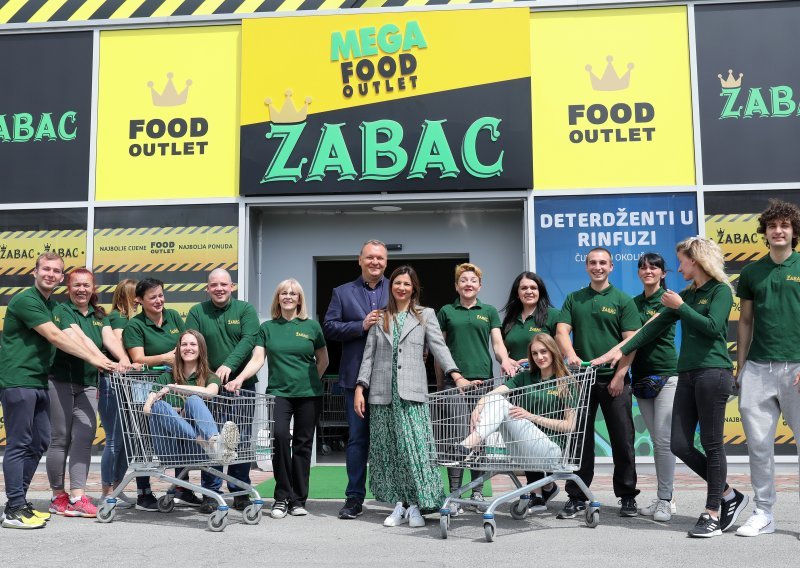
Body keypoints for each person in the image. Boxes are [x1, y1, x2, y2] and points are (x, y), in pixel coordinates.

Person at [594, 237, 749, 538]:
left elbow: (714, 328)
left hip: (713, 372)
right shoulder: (687, 295)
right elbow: (649, 329)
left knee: (713, 444)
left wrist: (681, 307)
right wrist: (612, 354)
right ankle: (730, 494)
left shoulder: (719, 291)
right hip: (688, 374)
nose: (678, 267)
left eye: (682, 261)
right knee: (678, 443)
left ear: (698, 260)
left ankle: (713, 512)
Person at [0, 253, 115, 529]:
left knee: (39, 441)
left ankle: (20, 503)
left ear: (60, 277)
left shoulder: (47, 304)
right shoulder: (27, 300)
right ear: (35, 272)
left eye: (55, 271)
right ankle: (13, 508)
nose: (50, 274)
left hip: (38, 381)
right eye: (46, 269)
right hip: (19, 380)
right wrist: (95, 359)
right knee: (19, 443)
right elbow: (56, 337)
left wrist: (104, 357)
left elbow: (75, 333)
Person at [354, 265, 465, 528]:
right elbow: (368, 356)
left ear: (414, 288)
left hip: (412, 394)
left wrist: (456, 374)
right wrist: (360, 387)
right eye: (397, 283)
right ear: (390, 286)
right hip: (382, 395)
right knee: (389, 452)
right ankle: (399, 504)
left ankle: (418, 505)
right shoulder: (380, 317)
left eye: (407, 284)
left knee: (415, 450)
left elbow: (439, 347)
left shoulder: (425, 315)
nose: (402, 288)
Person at [555, 247, 640, 519]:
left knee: (623, 441)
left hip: (614, 382)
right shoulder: (574, 299)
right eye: (593, 262)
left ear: (611, 267)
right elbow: (561, 331)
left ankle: (627, 496)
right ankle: (577, 496)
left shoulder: (622, 300)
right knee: (580, 442)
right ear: (586, 266)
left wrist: (619, 375)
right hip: (582, 381)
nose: (598, 267)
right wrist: (571, 357)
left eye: (603, 263)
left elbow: (631, 342)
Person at [237, 279, 328, 519]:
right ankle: (281, 498)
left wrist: (311, 381)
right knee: (278, 439)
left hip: (309, 395)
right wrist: (240, 377)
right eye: (283, 293)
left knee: (302, 444)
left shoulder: (311, 327)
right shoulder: (267, 328)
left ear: (300, 299)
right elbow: (257, 359)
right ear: (278, 298)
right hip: (278, 393)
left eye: (293, 293)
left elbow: (323, 360)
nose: (288, 296)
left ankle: (298, 500)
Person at [47, 268, 133, 519]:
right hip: (60, 381)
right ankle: (57, 495)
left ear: (93, 288)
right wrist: (101, 360)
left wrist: (124, 360)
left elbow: (109, 338)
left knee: (84, 438)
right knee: (60, 438)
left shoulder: (99, 314)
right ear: (69, 288)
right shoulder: (61, 310)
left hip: (88, 383)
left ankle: (77, 496)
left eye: (86, 285)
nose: (82, 290)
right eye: (76, 285)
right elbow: (79, 338)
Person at [736, 200, 800, 537]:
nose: (778, 231)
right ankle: (764, 512)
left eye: (785, 226)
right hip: (758, 369)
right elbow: (745, 321)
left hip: (797, 367)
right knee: (759, 444)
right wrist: (742, 366)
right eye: (772, 226)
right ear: (765, 232)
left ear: (793, 232)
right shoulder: (751, 272)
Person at [435, 262, 516, 512]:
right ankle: (456, 494)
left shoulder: (489, 311)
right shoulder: (447, 311)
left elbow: (498, 343)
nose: (468, 284)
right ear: (457, 286)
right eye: (463, 280)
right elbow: (440, 349)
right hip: (455, 384)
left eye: (473, 280)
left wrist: (505, 360)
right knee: (457, 437)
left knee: (479, 438)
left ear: (480, 286)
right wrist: (443, 382)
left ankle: (478, 492)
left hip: (484, 384)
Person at [323, 239, 389, 520]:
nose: (375, 262)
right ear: (359, 260)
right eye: (370, 257)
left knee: (391, 439)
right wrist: (360, 326)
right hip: (354, 379)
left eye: (380, 258)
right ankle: (354, 498)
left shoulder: (397, 287)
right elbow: (329, 327)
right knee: (358, 440)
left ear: (386, 263)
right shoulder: (342, 292)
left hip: (388, 377)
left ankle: (396, 497)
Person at [186, 268, 260, 513]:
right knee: (213, 439)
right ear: (207, 288)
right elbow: (192, 345)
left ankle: (240, 492)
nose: (219, 288)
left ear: (232, 287)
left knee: (240, 440)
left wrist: (229, 367)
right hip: (210, 389)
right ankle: (211, 492)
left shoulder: (245, 310)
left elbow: (248, 339)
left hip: (242, 387)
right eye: (214, 285)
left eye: (224, 284)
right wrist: (212, 378)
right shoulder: (198, 312)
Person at [448, 334, 576, 473]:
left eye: (543, 351)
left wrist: (530, 416)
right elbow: (491, 395)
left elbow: (570, 426)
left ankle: (465, 448)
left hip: (550, 451)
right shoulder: (524, 377)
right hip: (522, 450)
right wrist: (477, 407)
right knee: (496, 399)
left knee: (502, 403)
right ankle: (467, 447)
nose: (539, 357)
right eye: (534, 353)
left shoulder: (565, 382)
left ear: (553, 351)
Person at [123, 277, 191, 511]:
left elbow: (184, 346)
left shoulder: (172, 316)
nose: (159, 300)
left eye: (161, 295)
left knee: (178, 436)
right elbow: (138, 358)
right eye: (153, 297)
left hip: (172, 386)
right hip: (144, 388)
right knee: (144, 441)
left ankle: (183, 488)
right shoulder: (135, 326)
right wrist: (165, 357)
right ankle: (144, 493)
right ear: (139, 300)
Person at [500, 271, 561, 511]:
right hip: (519, 384)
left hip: (544, 386)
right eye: (524, 288)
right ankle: (539, 490)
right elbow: (502, 350)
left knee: (536, 434)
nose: (528, 291)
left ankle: (542, 488)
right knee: (523, 438)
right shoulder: (510, 320)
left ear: (540, 291)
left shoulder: (552, 316)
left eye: (533, 288)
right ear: (517, 292)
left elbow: (558, 349)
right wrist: (507, 360)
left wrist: (534, 362)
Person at [629, 254, 678, 522]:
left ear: (663, 272)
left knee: (663, 441)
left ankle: (666, 499)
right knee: (659, 441)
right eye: (643, 267)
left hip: (668, 376)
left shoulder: (670, 298)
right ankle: (665, 496)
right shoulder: (632, 303)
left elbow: (644, 334)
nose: (648, 271)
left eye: (654, 266)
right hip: (641, 378)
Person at [143, 330, 239, 468]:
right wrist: (172, 412)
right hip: (169, 449)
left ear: (201, 349)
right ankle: (210, 444)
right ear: (178, 349)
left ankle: (214, 441)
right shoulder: (165, 378)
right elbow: (147, 410)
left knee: (193, 400)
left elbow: (210, 393)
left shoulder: (210, 377)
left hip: (195, 450)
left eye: (193, 344)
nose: (188, 348)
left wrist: (174, 388)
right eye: (184, 344)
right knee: (158, 406)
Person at [99, 278, 139, 506]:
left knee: (129, 440)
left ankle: (117, 485)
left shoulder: (133, 319)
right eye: (137, 295)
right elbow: (121, 345)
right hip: (113, 382)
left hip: (130, 383)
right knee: (115, 440)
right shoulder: (116, 318)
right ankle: (107, 491)